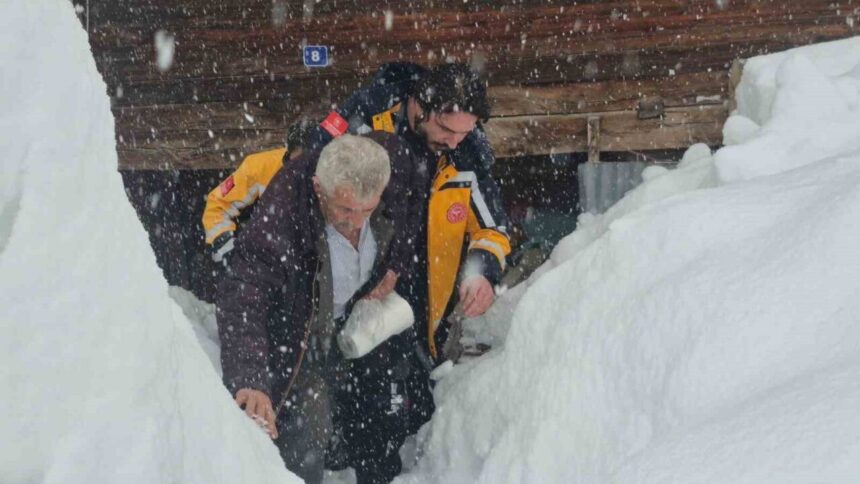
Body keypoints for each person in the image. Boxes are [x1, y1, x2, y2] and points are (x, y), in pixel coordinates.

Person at [217, 133, 428, 484]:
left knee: (382, 417)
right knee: (306, 434)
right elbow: (243, 293)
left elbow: (413, 203)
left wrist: (396, 264)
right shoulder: (283, 213)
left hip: (359, 322)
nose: (357, 222)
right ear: (319, 188)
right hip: (300, 333)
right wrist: (249, 378)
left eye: (367, 210)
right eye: (345, 210)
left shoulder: (392, 167)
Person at [305, 62, 512, 366]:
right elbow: (311, 174)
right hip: (355, 287)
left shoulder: (467, 154)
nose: (454, 142)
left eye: (464, 133)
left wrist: (482, 274)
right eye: (446, 129)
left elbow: (492, 229)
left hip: (424, 299)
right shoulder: (364, 119)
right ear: (419, 106)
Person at [202, 118, 314, 265]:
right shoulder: (258, 168)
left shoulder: (333, 170)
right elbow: (217, 205)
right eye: (297, 162)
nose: (301, 170)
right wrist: (229, 249)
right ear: (289, 151)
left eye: (309, 163)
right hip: (264, 256)